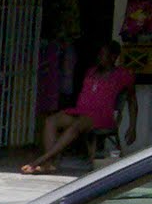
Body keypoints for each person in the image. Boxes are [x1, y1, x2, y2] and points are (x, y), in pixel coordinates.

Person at [21, 40, 137, 174]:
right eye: (98, 55)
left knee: (76, 126)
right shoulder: (91, 72)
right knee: (51, 121)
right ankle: (49, 163)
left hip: (101, 116)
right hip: (80, 112)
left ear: (113, 57)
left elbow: (132, 101)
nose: (99, 58)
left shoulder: (123, 75)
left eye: (103, 55)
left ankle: (41, 160)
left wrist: (132, 127)